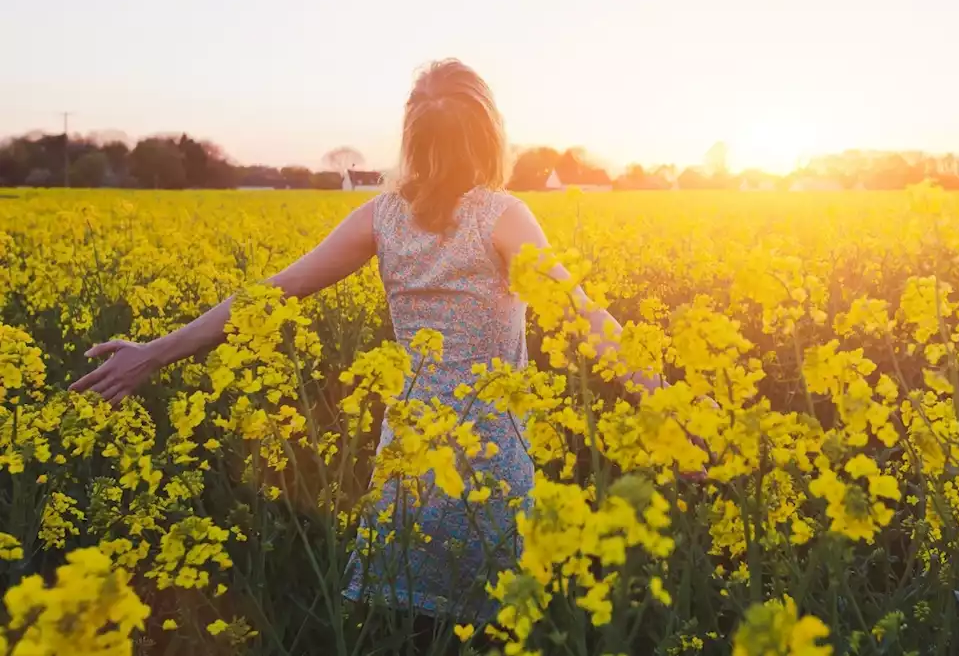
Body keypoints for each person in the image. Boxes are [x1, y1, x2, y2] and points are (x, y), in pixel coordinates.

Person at [71, 59, 669, 634]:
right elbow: (585, 317)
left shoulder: (382, 218)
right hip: (489, 454)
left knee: (402, 624)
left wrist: (155, 350)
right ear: (490, 135)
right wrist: (668, 409)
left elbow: (270, 293)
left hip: (408, 454)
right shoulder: (503, 216)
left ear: (413, 136)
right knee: (496, 624)